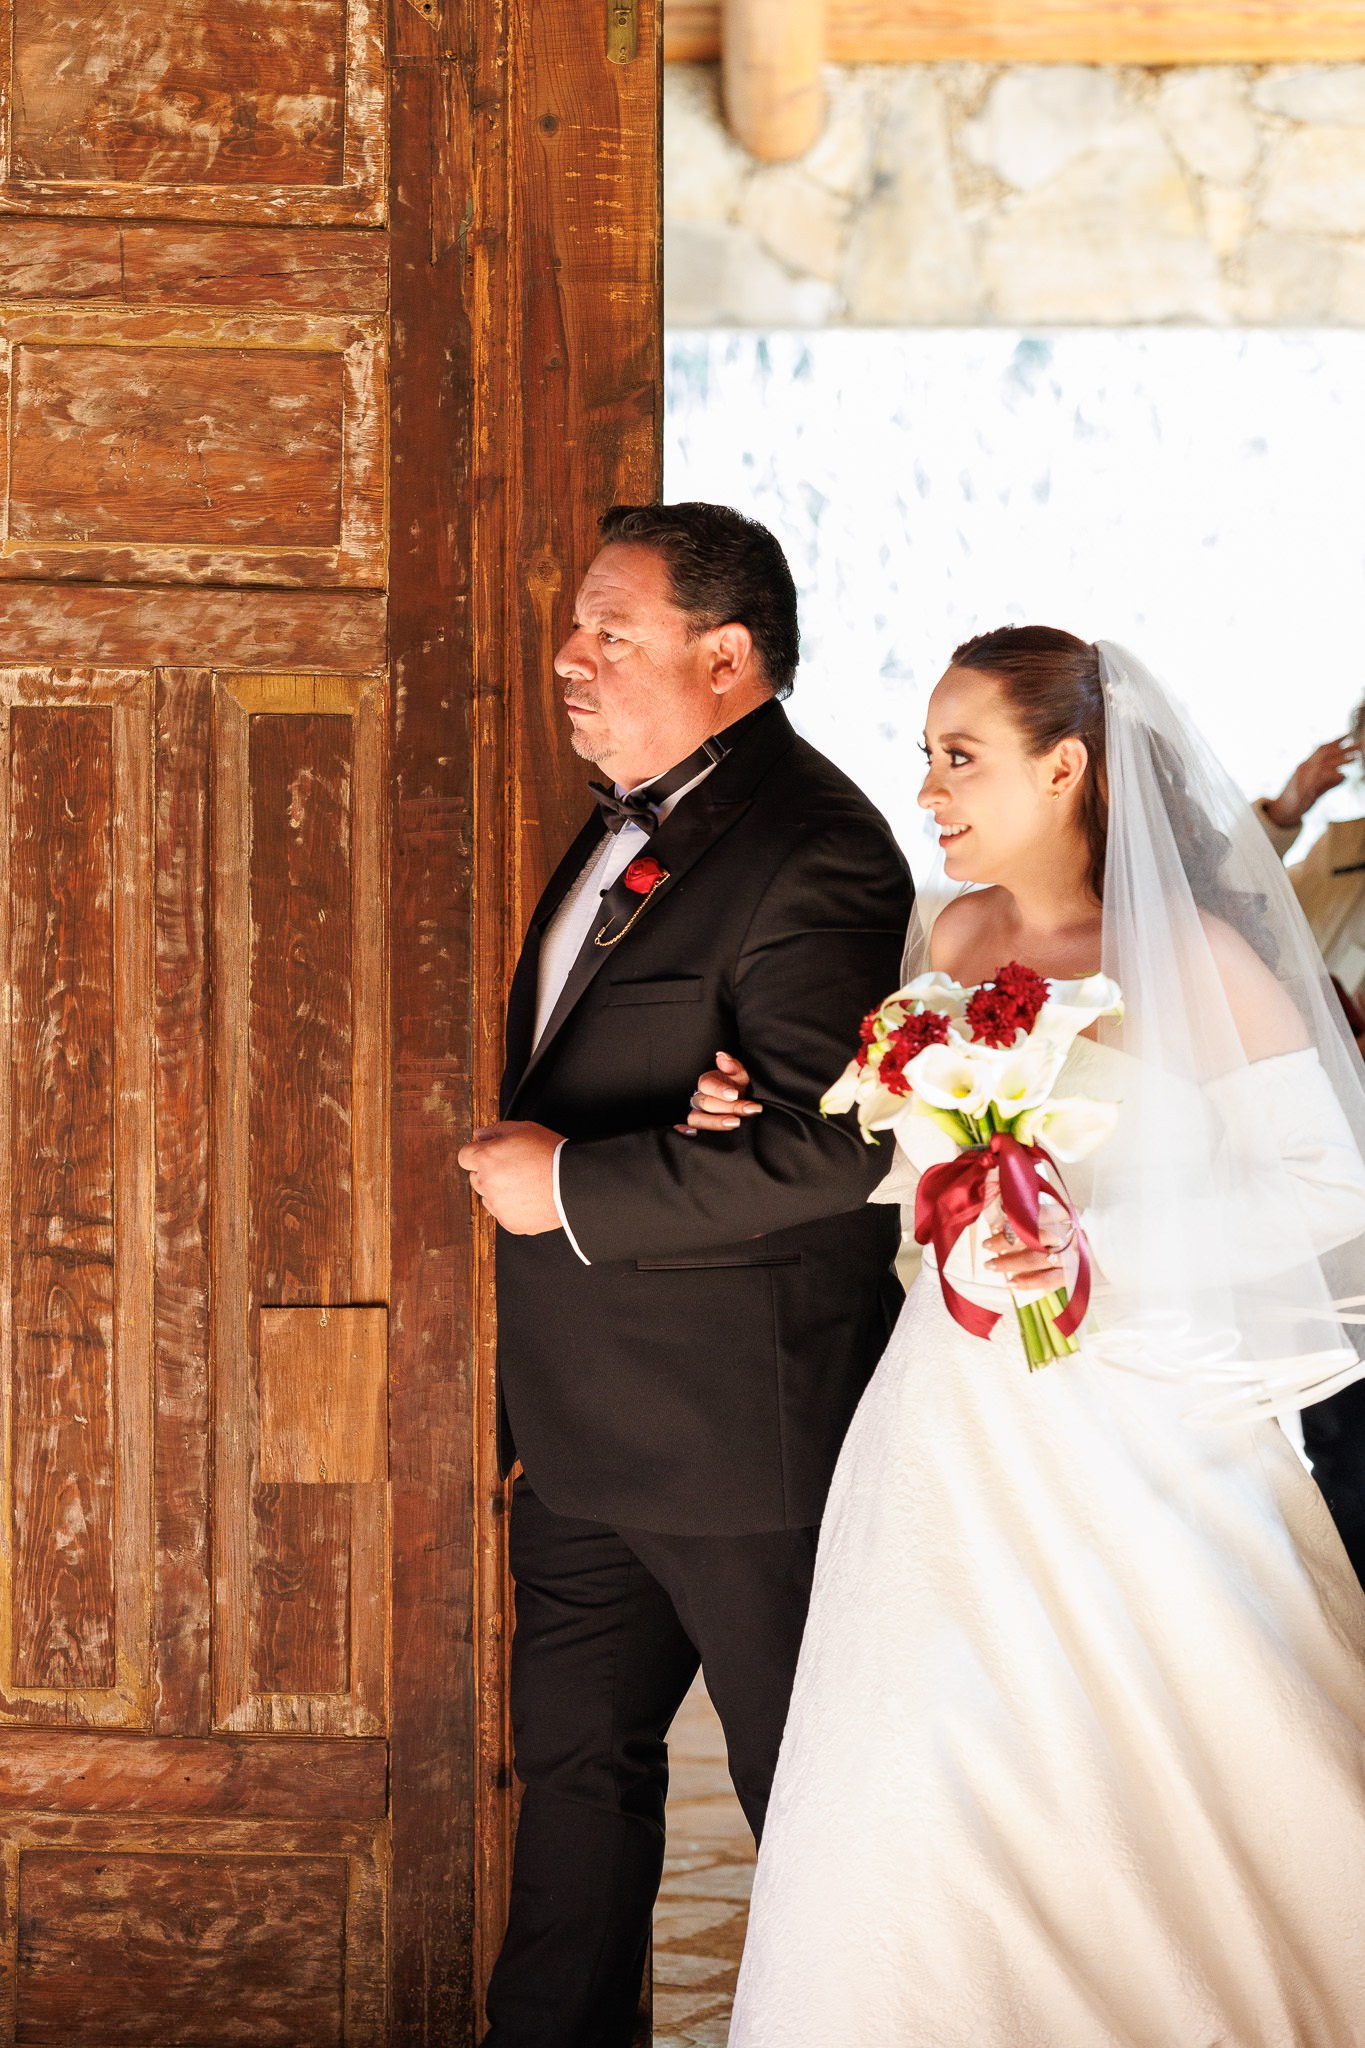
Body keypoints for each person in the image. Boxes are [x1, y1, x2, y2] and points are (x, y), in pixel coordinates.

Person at [688, 629, 1365, 2047]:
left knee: (1151, 1739)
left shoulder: (1192, 959)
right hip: (951, 1404)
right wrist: (754, 1118)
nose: (927, 790)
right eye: (925, 756)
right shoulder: (953, 939)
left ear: (1064, 769)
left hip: (1142, 1415)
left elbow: (1328, 1186)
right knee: (925, 1745)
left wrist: (1100, 1250)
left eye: (959, 757)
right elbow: (907, 1157)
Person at [457, 501, 913, 2048]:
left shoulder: (818, 844)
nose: (568, 656)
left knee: (811, 1810)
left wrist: (565, 1185)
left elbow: (829, 1153)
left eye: (611, 629)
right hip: (581, 1436)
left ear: (725, 657)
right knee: (573, 1794)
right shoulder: (626, 816)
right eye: (574, 626)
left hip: (742, 1444)